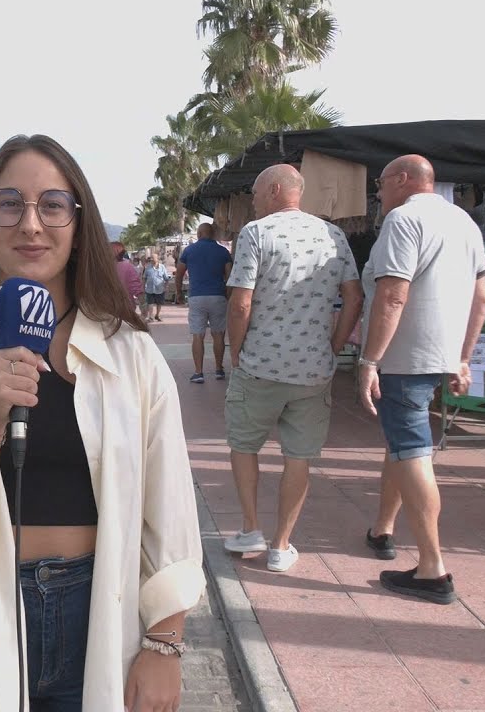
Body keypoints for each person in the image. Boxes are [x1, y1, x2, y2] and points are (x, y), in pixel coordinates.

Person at [0, 134, 203, 712]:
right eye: (10, 204)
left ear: (79, 225)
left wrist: (165, 641)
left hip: (100, 607)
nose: (31, 223)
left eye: (52, 205)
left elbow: (171, 504)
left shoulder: (129, 353)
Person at [358, 155, 485, 605]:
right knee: (401, 442)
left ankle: (433, 567)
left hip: (404, 356)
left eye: (380, 181)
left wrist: (369, 359)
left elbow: (393, 294)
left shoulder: (402, 220)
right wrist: (463, 357)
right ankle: (383, 530)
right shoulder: (465, 223)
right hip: (439, 354)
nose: (378, 192)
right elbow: (482, 297)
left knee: (413, 450)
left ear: (403, 180)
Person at [223, 165, 363, 572]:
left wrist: (236, 353)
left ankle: (250, 528)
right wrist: (333, 347)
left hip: (260, 364)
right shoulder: (333, 235)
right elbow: (354, 298)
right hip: (313, 371)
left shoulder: (256, 233)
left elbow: (241, 302)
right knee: (298, 457)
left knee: (244, 444)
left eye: (254, 191)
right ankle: (282, 546)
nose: (252, 200)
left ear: (275, 189)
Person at [176, 222, 233, 383]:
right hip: (218, 296)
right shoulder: (223, 252)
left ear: (199, 234)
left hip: (197, 297)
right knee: (218, 334)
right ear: (213, 234)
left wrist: (179, 293)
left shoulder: (189, 250)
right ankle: (219, 369)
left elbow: (179, 274)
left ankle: (198, 372)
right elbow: (229, 276)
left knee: (198, 335)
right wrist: (227, 295)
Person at [112, 240, 142, 312]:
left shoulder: (102, 267)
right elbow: (137, 288)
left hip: (108, 309)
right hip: (126, 309)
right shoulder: (128, 266)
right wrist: (144, 310)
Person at [140, 257, 170, 322]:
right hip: (149, 289)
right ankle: (150, 317)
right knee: (150, 303)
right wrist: (143, 286)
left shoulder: (162, 267)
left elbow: (166, 278)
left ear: (157, 259)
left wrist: (166, 287)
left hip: (160, 289)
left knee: (159, 303)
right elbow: (144, 278)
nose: (152, 261)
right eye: (151, 260)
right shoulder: (147, 267)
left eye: (153, 259)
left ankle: (157, 315)